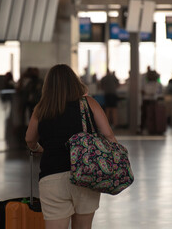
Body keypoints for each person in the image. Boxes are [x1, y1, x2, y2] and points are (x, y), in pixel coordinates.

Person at [25, 64, 117, 229]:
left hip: (51, 177)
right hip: (86, 175)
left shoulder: (41, 108)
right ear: (74, 82)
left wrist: (39, 149)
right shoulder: (88, 103)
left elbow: (29, 139)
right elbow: (109, 135)